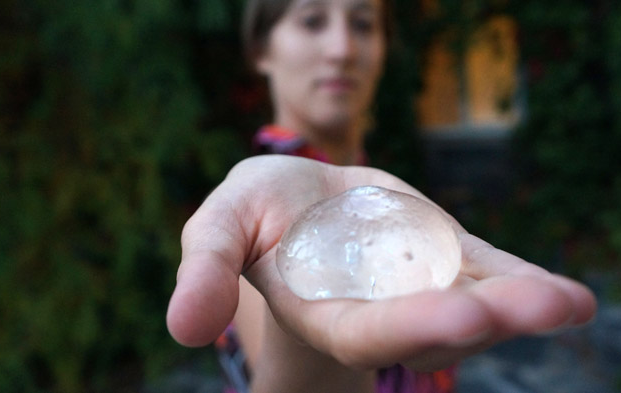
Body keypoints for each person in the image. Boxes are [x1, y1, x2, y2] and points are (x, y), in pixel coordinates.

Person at [165, 1, 598, 392]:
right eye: (312, 21)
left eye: (363, 24)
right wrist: (313, 347)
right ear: (261, 50)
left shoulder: (379, 190)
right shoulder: (259, 223)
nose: (342, 48)